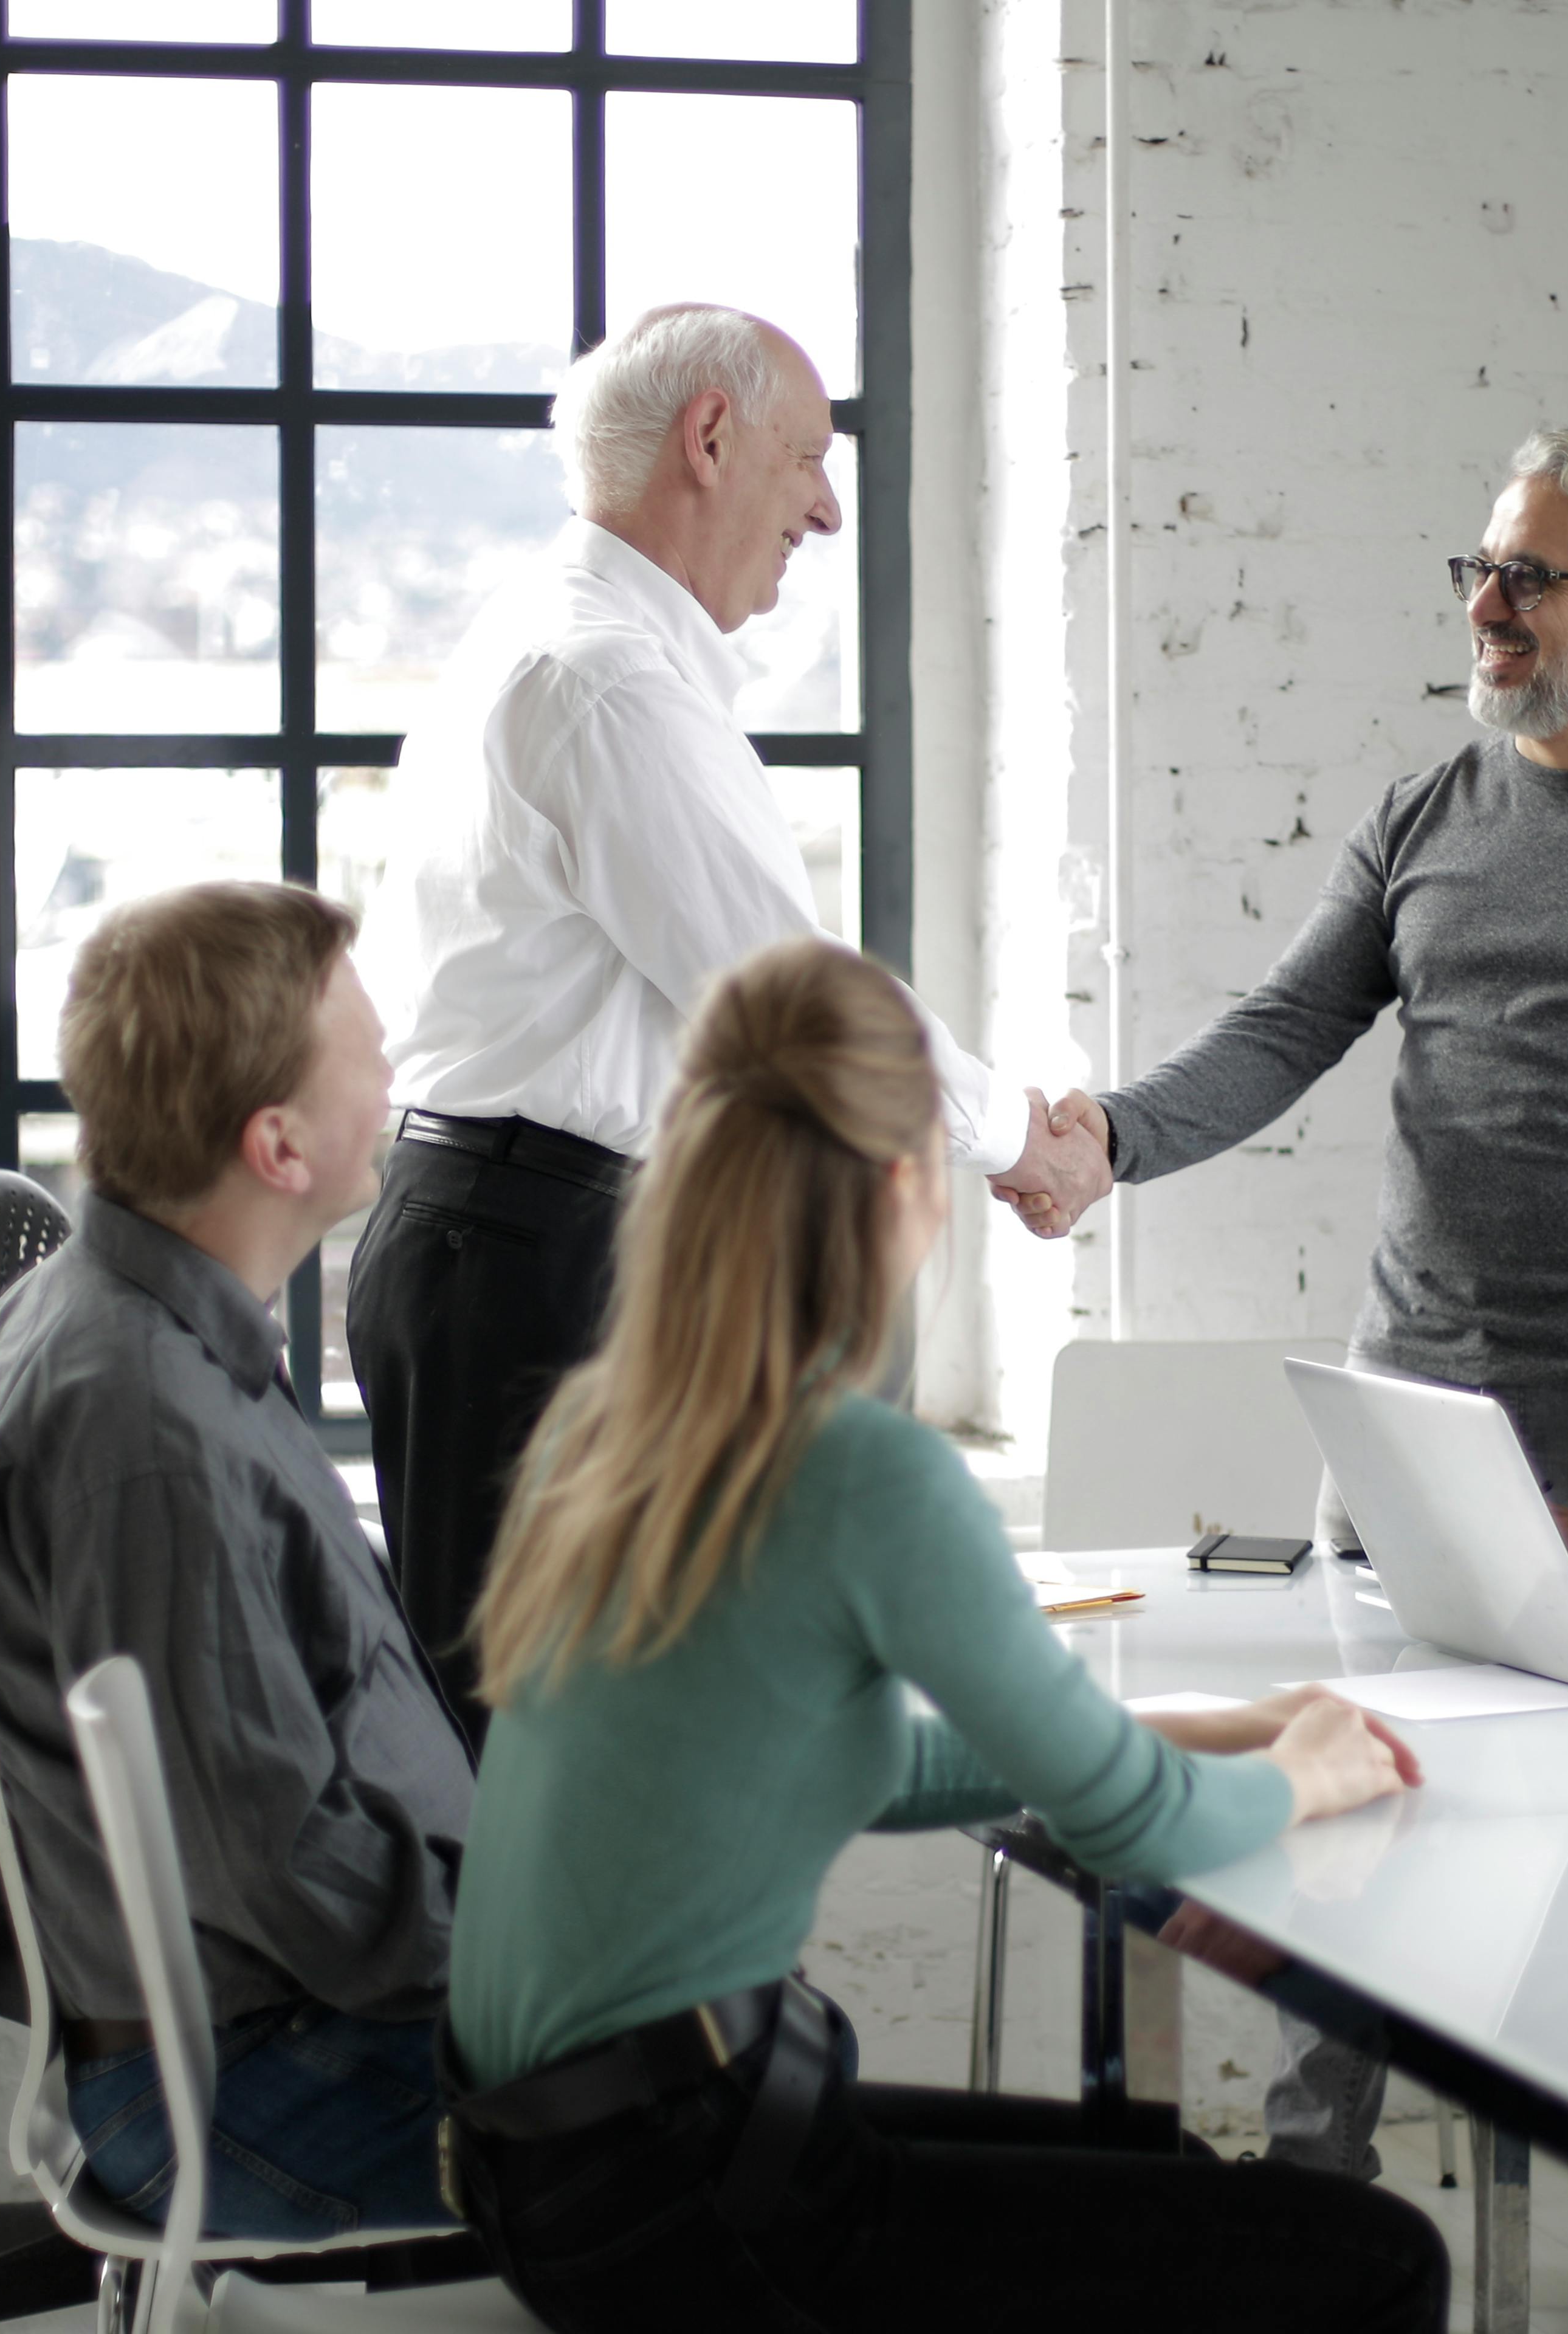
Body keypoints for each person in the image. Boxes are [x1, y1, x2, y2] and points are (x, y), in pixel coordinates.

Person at [1012, 425, 1568, 2183]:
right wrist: (1112, 1139)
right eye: (1480, 569)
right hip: (1407, 1413)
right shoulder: (1429, 810)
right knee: (1354, 1833)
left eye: (1530, 576)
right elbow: (1283, 1031)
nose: (1488, 606)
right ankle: (1311, 2234)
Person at [436, 937, 1449, 2334]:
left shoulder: (603, 1429)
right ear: (912, 1186)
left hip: (540, 2170)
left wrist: (1216, 1729)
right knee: (1378, 2258)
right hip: (686, 2196)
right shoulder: (860, 1471)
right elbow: (1138, 1829)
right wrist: (1313, 1775)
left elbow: (848, 1762)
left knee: (1151, 2167)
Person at [349, 302, 1104, 1722]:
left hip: (520, 1243)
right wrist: (1017, 1139)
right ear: (709, 439)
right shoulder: (605, 679)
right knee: (544, 1761)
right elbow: (788, 999)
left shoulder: (563, 638)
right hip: (528, 1264)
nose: (825, 507)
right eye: (809, 458)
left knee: (581, 1739)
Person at [0, 881, 474, 2239]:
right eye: (366, 1045)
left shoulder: (130, 1317)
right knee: (742, 2164)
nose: (396, 1061)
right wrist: (534, 1954)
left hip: (294, 2028)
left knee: (761, 2083)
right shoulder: (148, 1432)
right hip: (258, 2082)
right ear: (277, 1144)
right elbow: (291, 1871)